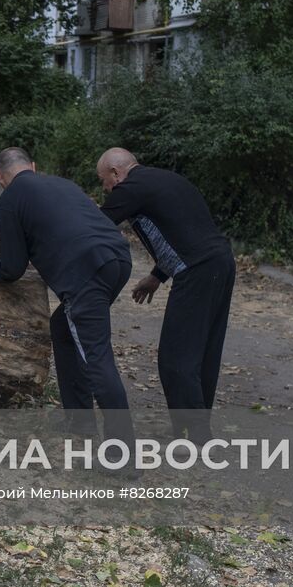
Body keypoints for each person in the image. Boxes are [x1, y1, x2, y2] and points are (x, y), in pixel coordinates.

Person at [0, 148, 133, 420]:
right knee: (62, 327)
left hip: (88, 270)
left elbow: (12, 267)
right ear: (33, 167)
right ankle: (78, 421)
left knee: (96, 357)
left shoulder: (9, 200)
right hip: (118, 259)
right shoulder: (62, 183)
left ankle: (123, 454)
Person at [97, 149, 235, 421]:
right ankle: (197, 429)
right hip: (221, 264)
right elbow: (185, 232)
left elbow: (93, 225)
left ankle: (191, 433)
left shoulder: (131, 187)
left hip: (197, 272)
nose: (105, 189)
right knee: (203, 352)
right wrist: (157, 276)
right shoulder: (165, 179)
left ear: (116, 173)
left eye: (104, 181)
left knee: (176, 359)